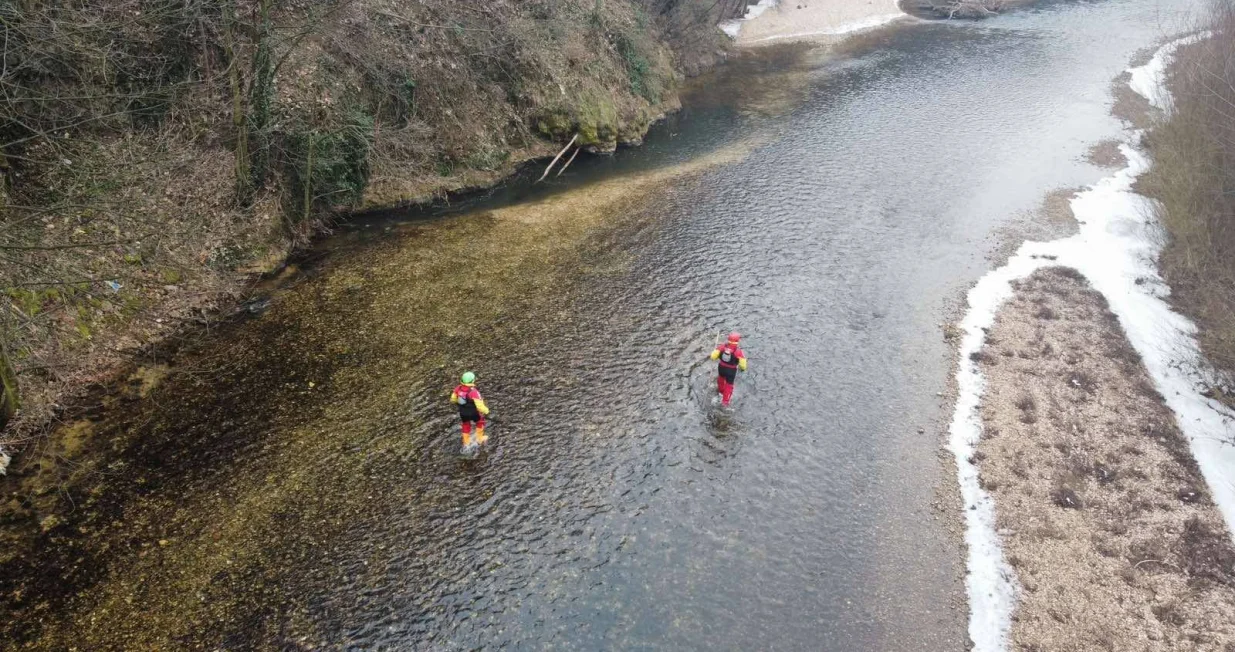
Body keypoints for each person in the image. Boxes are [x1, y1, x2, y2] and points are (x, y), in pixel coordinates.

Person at [450, 371, 490, 448]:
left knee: (465, 425)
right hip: (474, 413)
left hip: (463, 413)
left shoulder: (458, 388)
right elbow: (479, 406)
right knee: (480, 422)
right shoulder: (474, 392)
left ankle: (466, 442)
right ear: (472, 381)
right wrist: (486, 411)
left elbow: (453, 399)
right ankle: (479, 439)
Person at [710, 332, 747, 406]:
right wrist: (743, 369)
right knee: (729, 385)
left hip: (721, 368)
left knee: (721, 379)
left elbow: (713, 356)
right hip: (731, 370)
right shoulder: (738, 351)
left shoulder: (722, 346)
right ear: (737, 341)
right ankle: (725, 401)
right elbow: (742, 364)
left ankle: (720, 392)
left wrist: (714, 355)